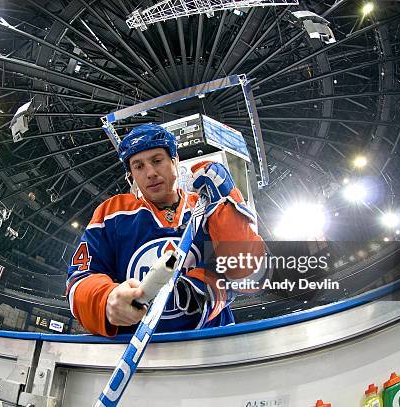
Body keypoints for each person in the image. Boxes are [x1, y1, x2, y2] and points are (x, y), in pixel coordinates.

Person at [66, 123, 265, 337]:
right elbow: (78, 280)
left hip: (215, 345)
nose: (150, 173)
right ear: (130, 176)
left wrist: (227, 202)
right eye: (138, 166)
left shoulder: (207, 208)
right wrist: (105, 299)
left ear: (175, 161)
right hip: (140, 352)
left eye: (157, 160)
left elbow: (254, 276)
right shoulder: (112, 212)